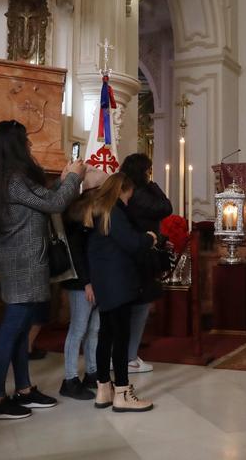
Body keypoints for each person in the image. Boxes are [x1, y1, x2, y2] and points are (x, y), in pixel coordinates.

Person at [0, 120, 85, 420]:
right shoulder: (13, 179)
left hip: (22, 262)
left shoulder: (7, 178)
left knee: (21, 329)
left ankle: (23, 389)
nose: (28, 145)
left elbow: (43, 202)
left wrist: (63, 180)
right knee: (11, 331)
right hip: (23, 264)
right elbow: (54, 204)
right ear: (14, 145)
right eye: (24, 140)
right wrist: (73, 178)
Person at [85, 172, 156, 412]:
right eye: (129, 194)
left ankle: (104, 389)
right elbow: (132, 243)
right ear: (122, 190)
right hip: (119, 282)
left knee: (106, 335)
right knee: (121, 338)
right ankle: (123, 392)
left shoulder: (97, 210)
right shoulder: (114, 211)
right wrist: (150, 238)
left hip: (104, 282)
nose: (129, 199)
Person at [59, 168, 108, 400]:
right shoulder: (79, 212)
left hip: (94, 279)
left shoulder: (93, 210)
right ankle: (69, 379)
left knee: (94, 329)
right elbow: (78, 253)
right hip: (82, 281)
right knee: (78, 329)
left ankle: (91, 372)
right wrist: (88, 283)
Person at [121, 153, 172, 374]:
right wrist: (155, 185)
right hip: (141, 254)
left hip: (135, 252)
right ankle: (129, 357)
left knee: (135, 306)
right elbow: (166, 207)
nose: (149, 174)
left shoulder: (130, 191)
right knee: (139, 307)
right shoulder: (140, 193)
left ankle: (127, 355)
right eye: (148, 171)